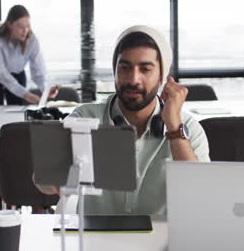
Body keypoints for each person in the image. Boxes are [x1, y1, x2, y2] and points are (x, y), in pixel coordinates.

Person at [56, 25, 211, 215]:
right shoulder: (84, 118)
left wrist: (173, 127)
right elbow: (48, 181)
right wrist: (55, 180)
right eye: (124, 67)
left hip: (161, 241)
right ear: (115, 70)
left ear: (162, 76)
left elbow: (200, 196)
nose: (133, 79)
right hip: (97, 240)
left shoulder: (188, 128)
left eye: (145, 69)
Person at [0, 4, 59, 111]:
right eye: (20, 27)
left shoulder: (32, 40)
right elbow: (0, 72)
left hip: (17, 74)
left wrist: (46, 89)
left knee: (17, 112)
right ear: (9, 24)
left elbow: (38, 72)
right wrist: (26, 95)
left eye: (27, 26)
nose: (25, 31)